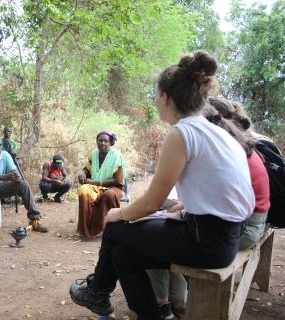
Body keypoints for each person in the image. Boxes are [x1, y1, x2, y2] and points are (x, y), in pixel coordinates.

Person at [69, 51, 255, 319]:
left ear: (167, 97)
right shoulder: (218, 132)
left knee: (115, 226)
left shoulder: (182, 132)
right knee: (123, 254)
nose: (155, 101)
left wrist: (117, 214)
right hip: (227, 238)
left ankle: (98, 292)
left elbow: (151, 203)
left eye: (156, 95)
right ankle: (149, 314)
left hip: (205, 242)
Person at [205, 99, 270, 250]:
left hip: (244, 231)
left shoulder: (228, 151)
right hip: (253, 222)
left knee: (157, 240)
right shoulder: (240, 143)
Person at [0, 134, 48, 232]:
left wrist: (15, 177)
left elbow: (17, 174)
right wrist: (6, 177)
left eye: (0, 145)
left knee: (23, 184)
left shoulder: (5, 155)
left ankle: (35, 220)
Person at [76, 131, 126, 239]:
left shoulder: (116, 156)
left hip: (115, 187)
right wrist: (82, 174)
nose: (102, 143)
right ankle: (86, 228)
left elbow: (117, 180)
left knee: (108, 195)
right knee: (83, 190)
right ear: (96, 142)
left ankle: (103, 226)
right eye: (100, 140)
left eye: (105, 141)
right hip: (96, 186)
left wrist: (95, 182)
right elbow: (86, 169)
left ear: (110, 143)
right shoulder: (94, 154)